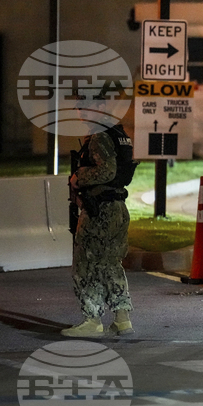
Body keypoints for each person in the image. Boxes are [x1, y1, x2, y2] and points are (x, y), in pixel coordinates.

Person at [62, 109, 138, 337]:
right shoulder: (117, 132)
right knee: (111, 264)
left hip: (99, 210)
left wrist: (78, 178)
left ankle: (92, 320)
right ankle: (122, 319)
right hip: (117, 207)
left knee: (86, 264)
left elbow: (107, 171)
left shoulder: (99, 136)